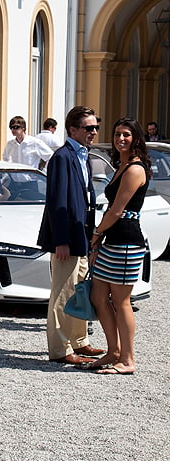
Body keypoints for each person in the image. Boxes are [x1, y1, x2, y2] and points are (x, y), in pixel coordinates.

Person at [81, 118, 151, 375]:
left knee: (121, 301)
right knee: (98, 296)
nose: (121, 138)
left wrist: (97, 234)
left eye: (126, 135)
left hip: (127, 241)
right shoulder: (122, 165)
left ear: (136, 139)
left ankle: (128, 360)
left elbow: (117, 210)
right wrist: (101, 236)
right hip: (113, 239)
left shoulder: (135, 169)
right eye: (117, 134)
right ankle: (114, 351)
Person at [36, 105, 106, 364]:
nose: (94, 132)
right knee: (62, 294)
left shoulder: (83, 155)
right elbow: (57, 202)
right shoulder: (62, 157)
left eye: (96, 127)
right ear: (73, 129)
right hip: (67, 238)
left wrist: (90, 236)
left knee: (79, 291)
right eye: (89, 128)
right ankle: (60, 350)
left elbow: (86, 198)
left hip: (82, 235)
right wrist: (61, 240)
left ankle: (79, 341)